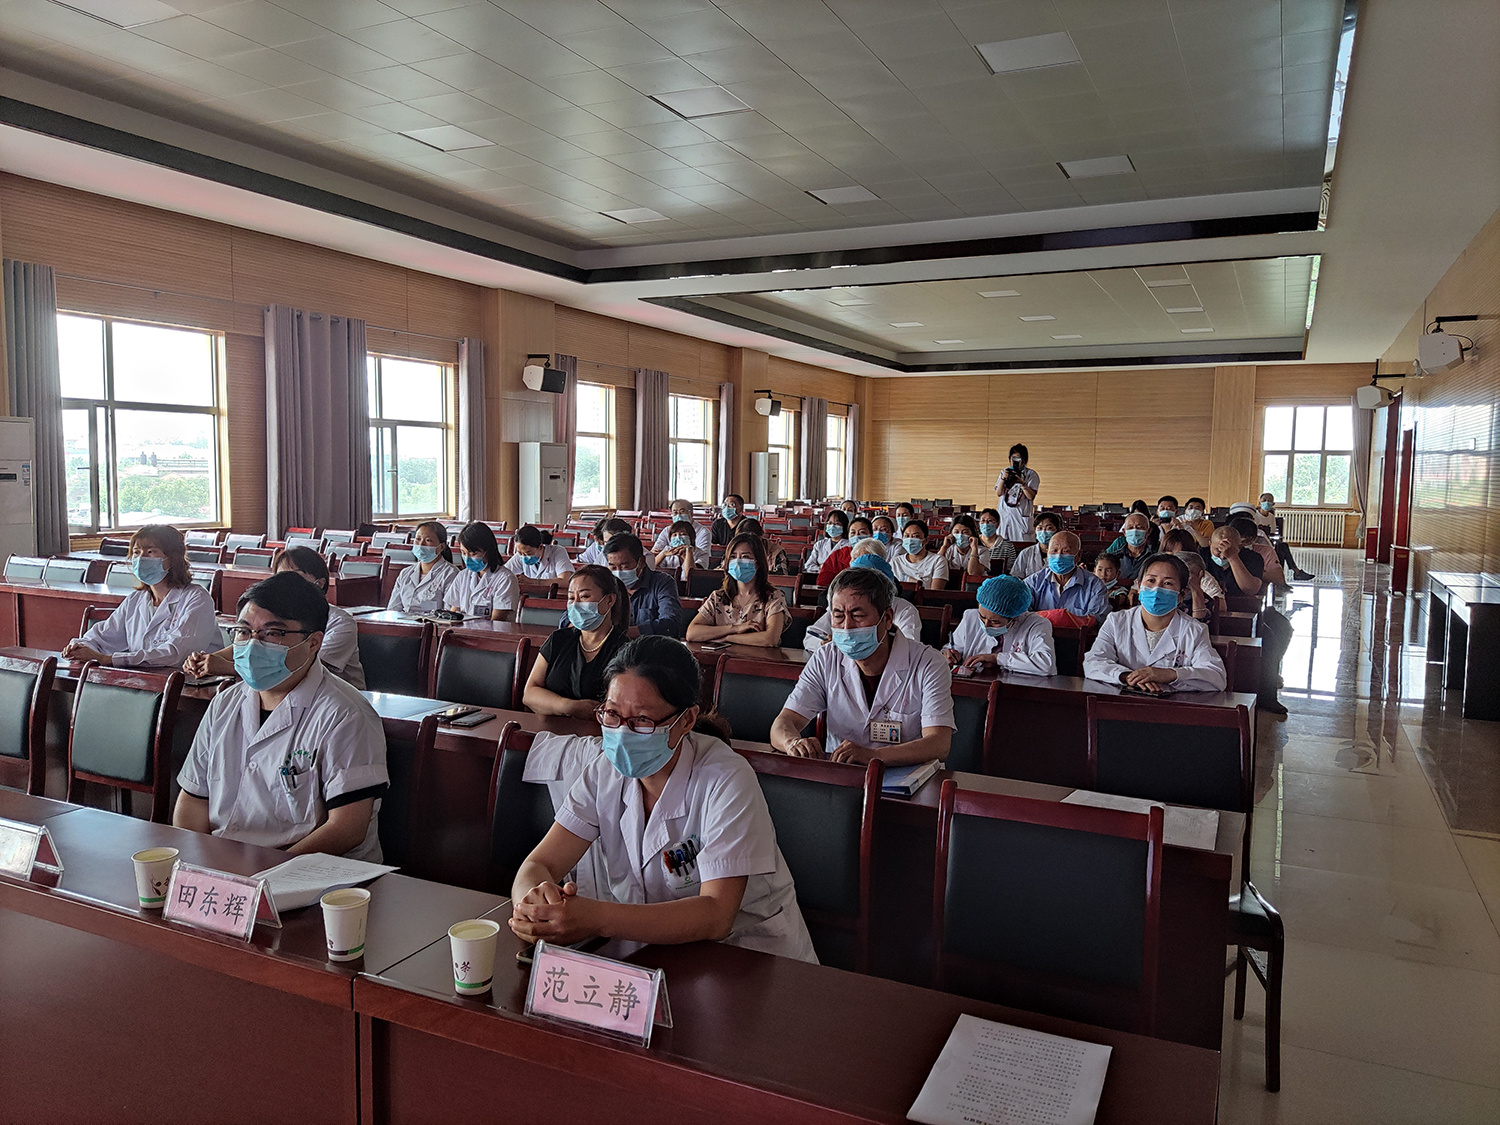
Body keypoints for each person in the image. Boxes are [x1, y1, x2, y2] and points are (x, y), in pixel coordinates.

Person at [508, 635, 816, 962]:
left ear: (686, 720)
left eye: (642, 720)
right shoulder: (603, 770)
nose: (622, 733)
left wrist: (595, 918)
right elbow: (539, 864)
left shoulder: (727, 778)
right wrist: (533, 904)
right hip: (654, 951)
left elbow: (717, 914)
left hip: (749, 956)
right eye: (612, 714)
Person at [174, 572, 388, 861]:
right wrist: (197, 862)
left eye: (272, 633)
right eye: (244, 632)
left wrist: (272, 873)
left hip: (308, 870)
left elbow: (347, 827)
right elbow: (193, 800)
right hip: (226, 862)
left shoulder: (346, 714)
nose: (253, 645)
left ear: (313, 643)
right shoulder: (224, 703)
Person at [771, 565, 954, 766]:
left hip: (906, 776)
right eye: (839, 616)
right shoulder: (826, 657)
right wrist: (792, 743)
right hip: (841, 773)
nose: (847, 627)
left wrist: (874, 756)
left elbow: (939, 744)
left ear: (887, 618)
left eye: (857, 616)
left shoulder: (929, 663)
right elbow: (783, 722)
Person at [62, 524, 221, 667]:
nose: (141, 558)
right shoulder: (136, 599)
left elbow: (176, 654)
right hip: (144, 679)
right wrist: (81, 647)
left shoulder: (197, 598)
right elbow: (104, 636)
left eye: (150, 552)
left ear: (172, 558)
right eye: (136, 552)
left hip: (190, 681)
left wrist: (108, 659)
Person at [1082, 553, 1227, 694]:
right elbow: (1093, 662)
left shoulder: (1194, 630)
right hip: (1123, 703)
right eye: (1151, 580)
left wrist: (1170, 674)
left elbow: (1216, 676)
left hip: (1171, 706)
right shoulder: (1117, 621)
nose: (1157, 589)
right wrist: (1128, 676)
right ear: (1139, 586)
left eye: (1168, 583)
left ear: (1182, 595)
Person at [521, 565, 632, 719]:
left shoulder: (625, 651)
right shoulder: (558, 639)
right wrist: (568, 706)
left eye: (584, 597)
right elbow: (529, 693)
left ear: (609, 600)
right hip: (550, 727)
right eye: (571, 598)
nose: (576, 604)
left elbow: (619, 708)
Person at [273, 547, 366, 689]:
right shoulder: (271, 618)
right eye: (280, 577)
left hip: (337, 695)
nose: (286, 584)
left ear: (319, 584)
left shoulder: (340, 622)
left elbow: (307, 668)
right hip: (286, 692)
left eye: (295, 576)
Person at [804, 547, 922, 650]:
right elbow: (811, 637)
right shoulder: (842, 606)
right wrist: (824, 644)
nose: (847, 626)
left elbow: (909, 646)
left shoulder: (904, 610)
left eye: (858, 616)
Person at [944, 574, 1057, 677]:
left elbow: (1046, 664)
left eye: (995, 622)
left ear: (1014, 618)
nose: (986, 625)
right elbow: (952, 648)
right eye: (982, 617)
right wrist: (950, 655)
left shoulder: (1036, 624)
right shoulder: (970, 617)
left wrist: (997, 658)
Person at [686, 533, 787, 647]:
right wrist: (735, 628)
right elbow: (692, 633)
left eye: (745, 557)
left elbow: (770, 639)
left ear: (758, 562)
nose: (738, 562)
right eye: (733, 557)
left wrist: (728, 638)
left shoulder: (773, 597)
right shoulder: (718, 597)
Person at [604, 533, 682, 637]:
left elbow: (671, 624)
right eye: (613, 567)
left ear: (641, 562)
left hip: (651, 645)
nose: (618, 572)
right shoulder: (604, 586)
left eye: (625, 566)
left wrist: (622, 633)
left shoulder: (662, 583)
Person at [1025, 531, 1109, 623]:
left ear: (1078, 555)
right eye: (1054, 551)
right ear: (1047, 553)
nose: (1058, 556)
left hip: (1077, 633)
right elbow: (1023, 616)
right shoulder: (1033, 583)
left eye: (1066, 551)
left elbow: (1096, 621)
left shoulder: (1094, 586)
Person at [448, 521, 519, 621]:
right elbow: (454, 613)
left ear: (488, 551)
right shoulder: (462, 576)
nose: (467, 558)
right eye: (463, 553)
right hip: (463, 629)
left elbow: (497, 621)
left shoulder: (505, 579)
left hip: (491, 630)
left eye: (473, 554)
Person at [387, 519, 461, 614]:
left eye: (428, 540)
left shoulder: (451, 574)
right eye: (418, 539)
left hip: (433, 622)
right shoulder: (405, 573)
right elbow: (393, 609)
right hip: (404, 621)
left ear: (441, 547)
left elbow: (448, 613)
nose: (421, 544)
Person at [1245, 498, 1314, 581]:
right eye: (1264, 500)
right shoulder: (1254, 516)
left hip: (1267, 539)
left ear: (1273, 503)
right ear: (1260, 502)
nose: (1267, 502)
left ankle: (1284, 576)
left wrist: (1267, 531)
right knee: (1281, 550)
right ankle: (1292, 573)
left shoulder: (1271, 516)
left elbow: (1273, 531)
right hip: (1257, 540)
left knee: (1282, 547)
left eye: (1269, 500)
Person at [1162, 529, 1217, 622]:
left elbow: (1199, 624)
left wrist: (1196, 590)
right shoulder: (1160, 588)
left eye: (1181, 555)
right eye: (1169, 554)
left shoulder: (1205, 599)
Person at [1203, 525, 1264, 599]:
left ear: (1239, 547)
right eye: (1218, 550)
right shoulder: (1202, 556)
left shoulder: (1253, 558)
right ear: (1210, 543)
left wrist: (1232, 557)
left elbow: (1251, 590)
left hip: (1242, 603)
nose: (1222, 556)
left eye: (1229, 550)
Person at [994, 443, 1040, 541]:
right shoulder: (1004, 472)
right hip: (1004, 515)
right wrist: (1003, 479)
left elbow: (1031, 496)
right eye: (1013, 458)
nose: (1015, 462)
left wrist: (1022, 483)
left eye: (1018, 459)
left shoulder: (1031, 474)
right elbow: (999, 493)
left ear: (1024, 460)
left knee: (1022, 545)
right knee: (1003, 544)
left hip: (1021, 518)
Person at [1229, 513, 1286, 588]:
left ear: (1255, 539)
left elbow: (1279, 579)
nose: (1242, 546)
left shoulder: (1265, 551)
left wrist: (1247, 572)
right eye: (1238, 542)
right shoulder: (1225, 551)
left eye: (1246, 542)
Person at [890, 518, 948, 590]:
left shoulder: (938, 561)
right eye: (907, 536)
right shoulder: (895, 562)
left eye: (915, 536)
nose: (910, 540)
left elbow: (934, 593)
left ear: (926, 540)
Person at [652, 499, 712, 567]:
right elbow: (656, 551)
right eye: (675, 513)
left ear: (691, 513)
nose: (678, 515)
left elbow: (702, 555)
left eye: (682, 512)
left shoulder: (703, 532)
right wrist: (664, 553)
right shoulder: (667, 530)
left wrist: (687, 552)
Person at [816, 515, 874, 585]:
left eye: (862, 532)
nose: (856, 536)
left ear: (871, 535)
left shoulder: (876, 554)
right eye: (853, 533)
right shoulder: (837, 555)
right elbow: (822, 582)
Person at [507, 524, 574, 581]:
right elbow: (504, 573)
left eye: (528, 553)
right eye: (520, 553)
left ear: (540, 547)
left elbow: (565, 580)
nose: (523, 556)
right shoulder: (521, 555)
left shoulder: (557, 552)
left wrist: (533, 582)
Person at [1108, 511, 1157, 585]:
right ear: (1124, 532)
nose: (1135, 531)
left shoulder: (1154, 559)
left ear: (1148, 531)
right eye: (1130, 528)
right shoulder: (1113, 557)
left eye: (1139, 528)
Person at [1010, 511, 1060, 579]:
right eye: (1040, 528)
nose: (1043, 532)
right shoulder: (1026, 553)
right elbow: (1016, 577)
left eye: (1049, 528)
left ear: (1057, 530)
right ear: (1035, 530)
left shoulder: (1062, 554)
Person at [941, 514, 991, 580]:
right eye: (956, 532)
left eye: (965, 532)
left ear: (972, 533)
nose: (960, 535)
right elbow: (936, 567)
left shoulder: (983, 551)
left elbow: (974, 572)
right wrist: (944, 547)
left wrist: (974, 548)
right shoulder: (949, 549)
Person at [802, 508, 849, 574]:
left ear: (844, 526)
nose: (832, 526)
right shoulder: (820, 544)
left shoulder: (849, 545)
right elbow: (808, 565)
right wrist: (822, 569)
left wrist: (823, 567)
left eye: (837, 523)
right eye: (830, 523)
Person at [975, 507, 1018, 576]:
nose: (986, 524)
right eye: (983, 520)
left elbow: (1011, 570)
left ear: (997, 524)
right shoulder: (974, 543)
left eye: (990, 521)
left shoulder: (1008, 546)